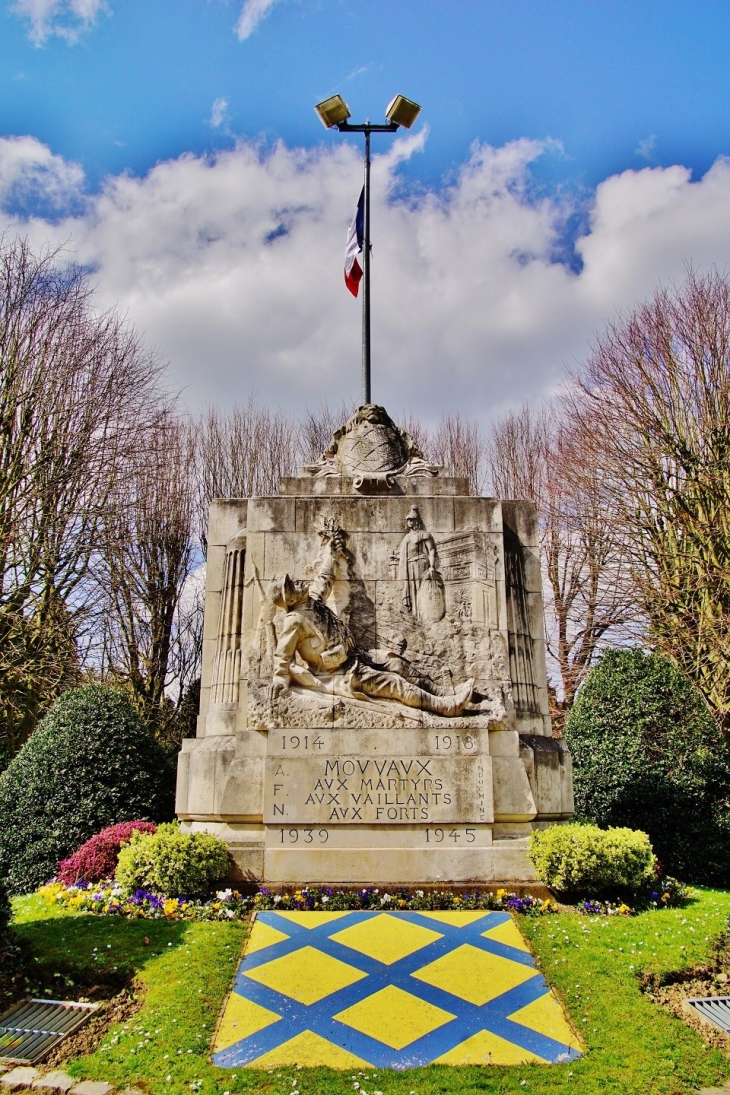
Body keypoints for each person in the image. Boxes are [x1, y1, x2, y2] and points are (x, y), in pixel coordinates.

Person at [268, 570, 473, 718]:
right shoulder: (294, 620)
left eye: (291, 581)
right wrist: (279, 680)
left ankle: (444, 692)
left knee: (398, 664)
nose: (296, 582)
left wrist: (333, 546)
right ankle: (447, 707)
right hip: (342, 674)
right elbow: (282, 655)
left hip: (356, 655)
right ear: (291, 600)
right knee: (396, 683)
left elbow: (325, 576)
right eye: (290, 586)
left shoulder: (313, 600)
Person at [398, 505, 445, 622]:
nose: (409, 522)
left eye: (411, 520)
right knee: (411, 588)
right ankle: (414, 614)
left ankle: (423, 615)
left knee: (421, 588)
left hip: (420, 564)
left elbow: (432, 550)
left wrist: (432, 566)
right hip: (409, 566)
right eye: (408, 520)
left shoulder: (424, 534)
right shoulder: (407, 537)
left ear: (417, 521)